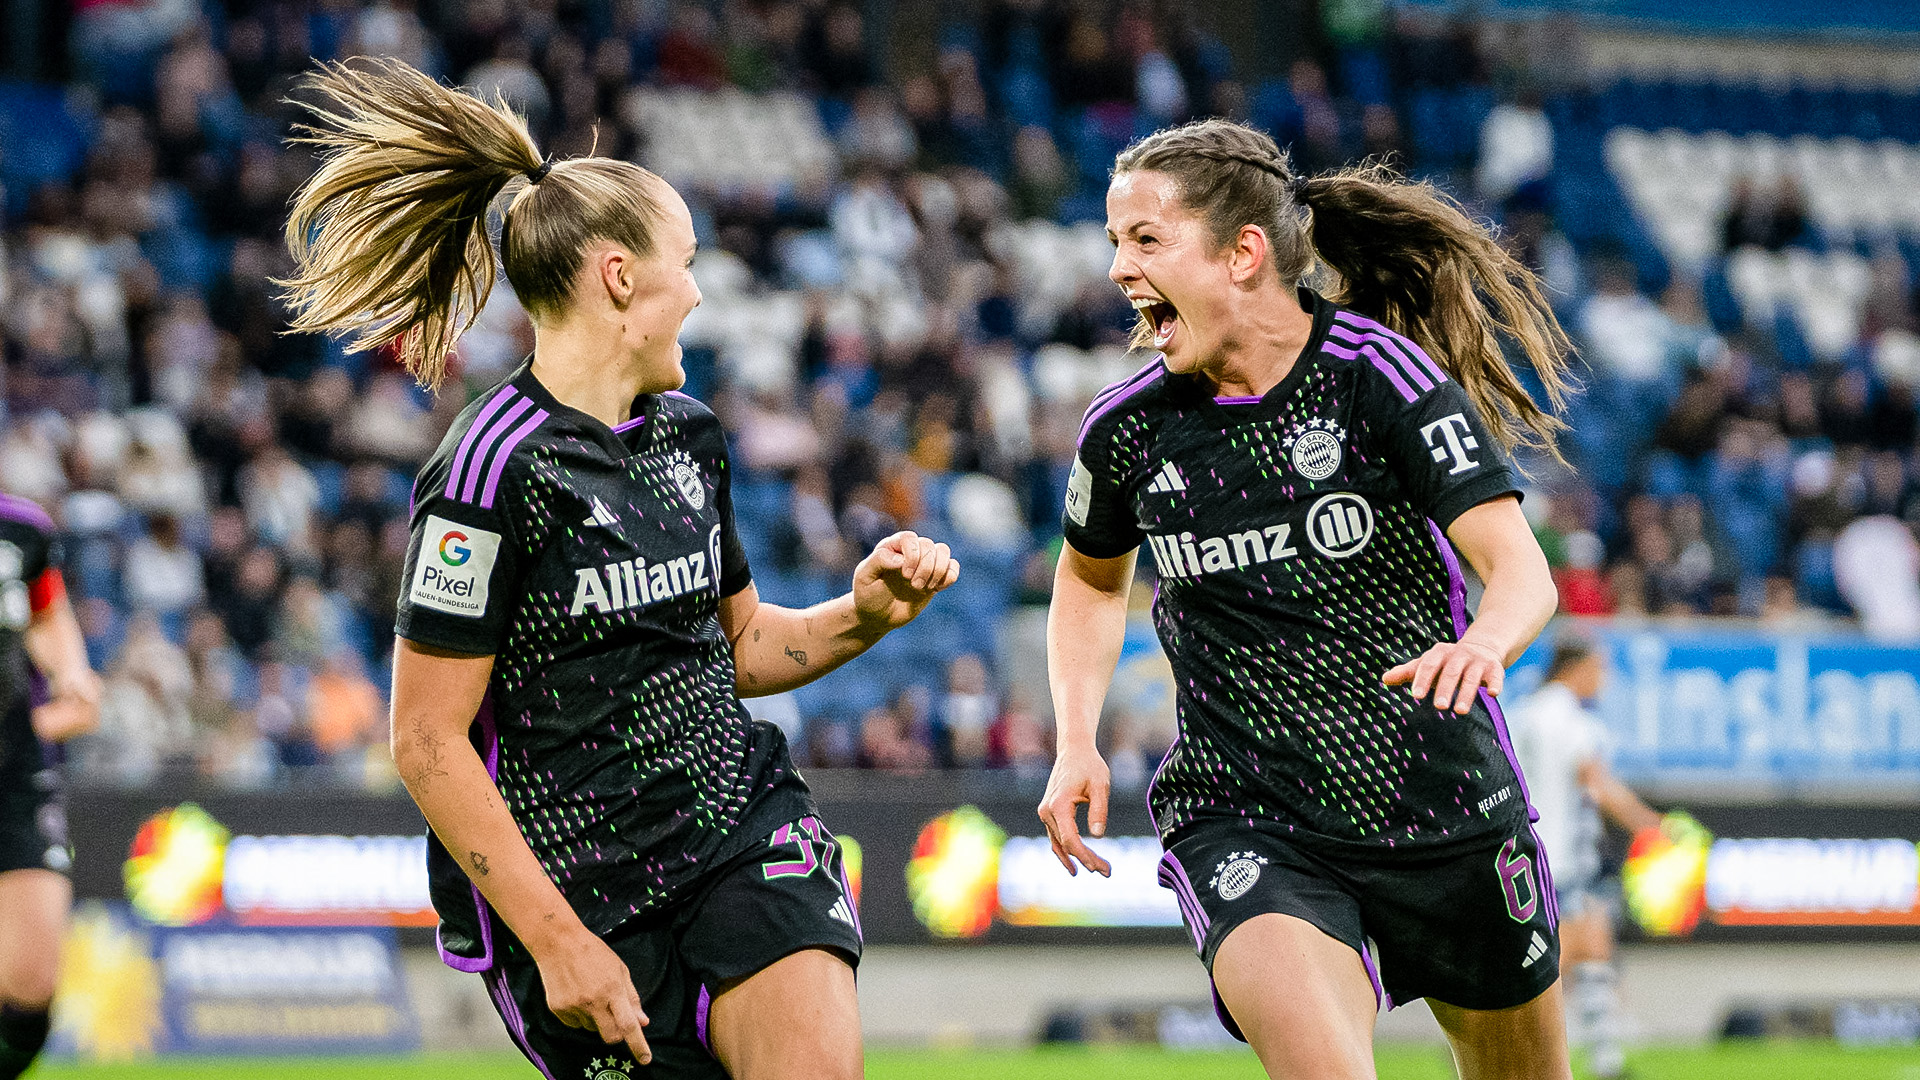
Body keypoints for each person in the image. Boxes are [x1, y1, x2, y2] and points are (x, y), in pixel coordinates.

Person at [280, 60, 960, 1080]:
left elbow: (738, 647)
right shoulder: (487, 473)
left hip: (740, 829)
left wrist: (865, 615)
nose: (697, 290)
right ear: (619, 277)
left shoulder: (690, 439)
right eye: (686, 262)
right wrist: (556, 943)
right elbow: (424, 738)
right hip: (579, 898)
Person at [1038, 118, 1577, 1080]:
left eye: (1145, 239)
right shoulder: (1127, 432)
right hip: (1250, 818)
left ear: (1244, 253)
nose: (1119, 267)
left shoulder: (1382, 380)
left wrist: (1484, 644)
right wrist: (1075, 737)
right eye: (1115, 240)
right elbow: (1088, 579)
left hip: (1442, 803)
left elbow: (1520, 568)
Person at [1510, 637, 1661, 1080]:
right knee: (1564, 957)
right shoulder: (1574, 721)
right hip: (1561, 859)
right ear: (1575, 669)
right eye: (1599, 668)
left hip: (1523, 857)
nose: (1603, 679)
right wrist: (1650, 824)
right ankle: (1506, 1039)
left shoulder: (1522, 714)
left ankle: (1606, 1061)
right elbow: (1596, 783)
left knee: (1591, 946)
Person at [0, 493, 103, 1080]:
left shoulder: (22, 529)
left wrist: (71, 681)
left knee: (32, 982)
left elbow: (73, 683)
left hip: (17, 776)